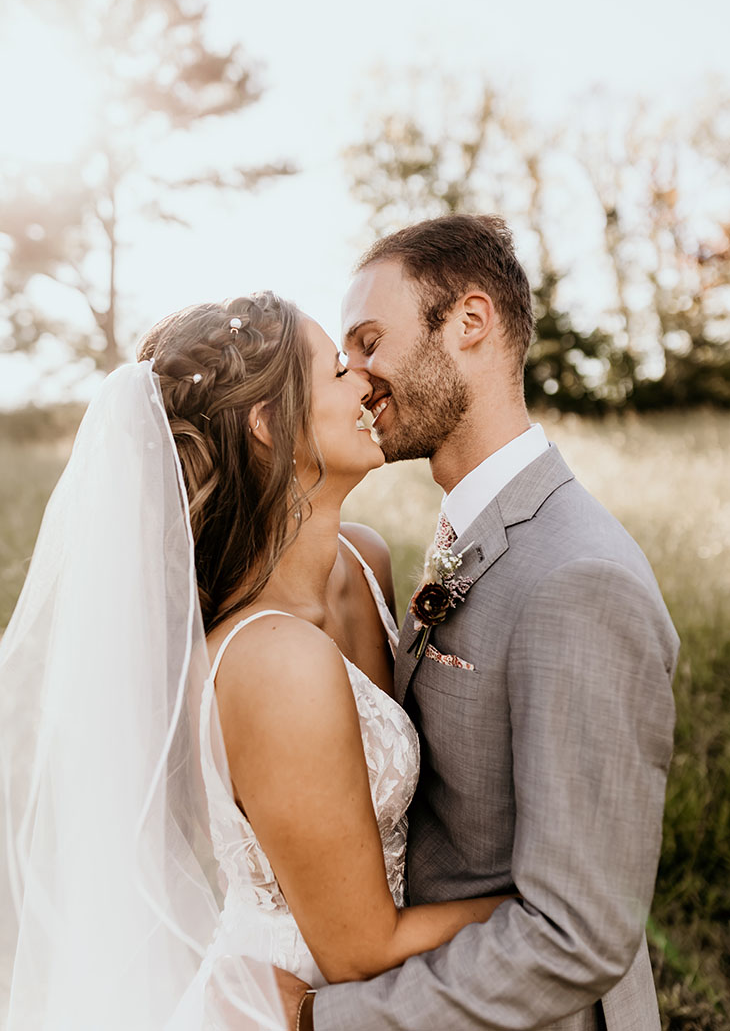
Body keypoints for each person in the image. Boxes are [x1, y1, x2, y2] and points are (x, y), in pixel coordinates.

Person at [0, 291, 509, 1030]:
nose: (367, 381)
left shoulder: (364, 562)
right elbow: (361, 952)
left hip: (402, 990)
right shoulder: (271, 663)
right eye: (338, 370)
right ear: (269, 425)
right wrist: (549, 902)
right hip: (289, 1002)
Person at [278, 215, 679, 1031]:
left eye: (368, 340)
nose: (356, 376)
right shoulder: (468, 530)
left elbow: (577, 936)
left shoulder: (579, 580)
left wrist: (327, 1020)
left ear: (468, 322)